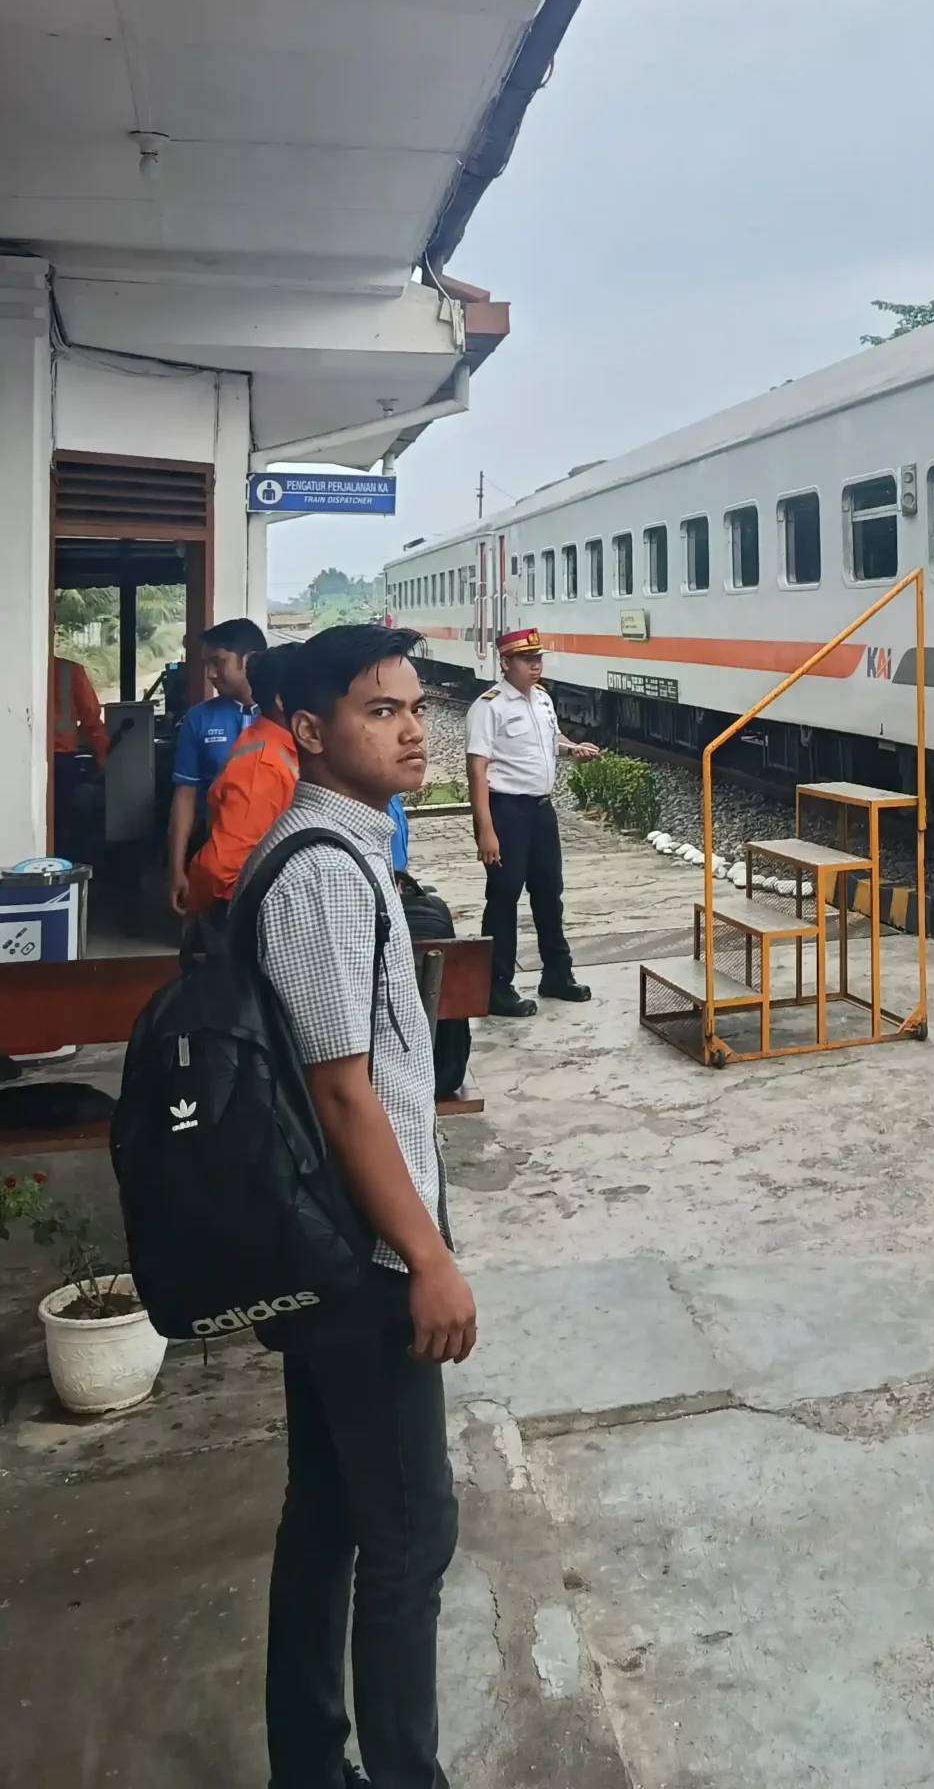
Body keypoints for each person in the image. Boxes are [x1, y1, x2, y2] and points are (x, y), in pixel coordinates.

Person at [233, 623, 474, 1789]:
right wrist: (425, 1254)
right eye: (382, 710)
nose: (415, 726)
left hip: (333, 1243)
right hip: (361, 1262)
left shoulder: (343, 846)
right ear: (313, 732)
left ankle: (309, 1767)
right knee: (411, 1536)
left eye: (417, 705)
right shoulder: (323, 868)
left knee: (329, 1511)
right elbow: (343, 1093)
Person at [465, 629, 598, 1017]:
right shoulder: (489, 707)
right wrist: (485, 829)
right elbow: (477, 769)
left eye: (538, 657)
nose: (535, 665)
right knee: (504, 898)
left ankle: (557, 973)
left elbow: (547, 740)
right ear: (506, 663)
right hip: (507, 812)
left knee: (548, 892)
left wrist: (572, 748)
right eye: (526, 659)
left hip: (541, 810)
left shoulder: (542, 700)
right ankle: (496, 985)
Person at [181, 646, 299, 917]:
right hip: (244, 912)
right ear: (282, 702)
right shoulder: (263, 766)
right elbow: (218, 867)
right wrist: (202, 913)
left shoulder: (278, 746)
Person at [165, 617, 266, 913]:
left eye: (218, 662)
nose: (209, 674)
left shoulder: (288, 715)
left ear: (248, 660)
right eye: (206, 664)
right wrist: (176, 869)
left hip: (279, 858)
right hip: (217, 863)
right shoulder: (199, 719)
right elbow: (185, 795)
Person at [49, 652, 110, 861]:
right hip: (62, 760)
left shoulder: (14, 668)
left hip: (21, 761)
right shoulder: (69, 671)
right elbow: (91, 719)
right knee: (63, 825)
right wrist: (101, 758)